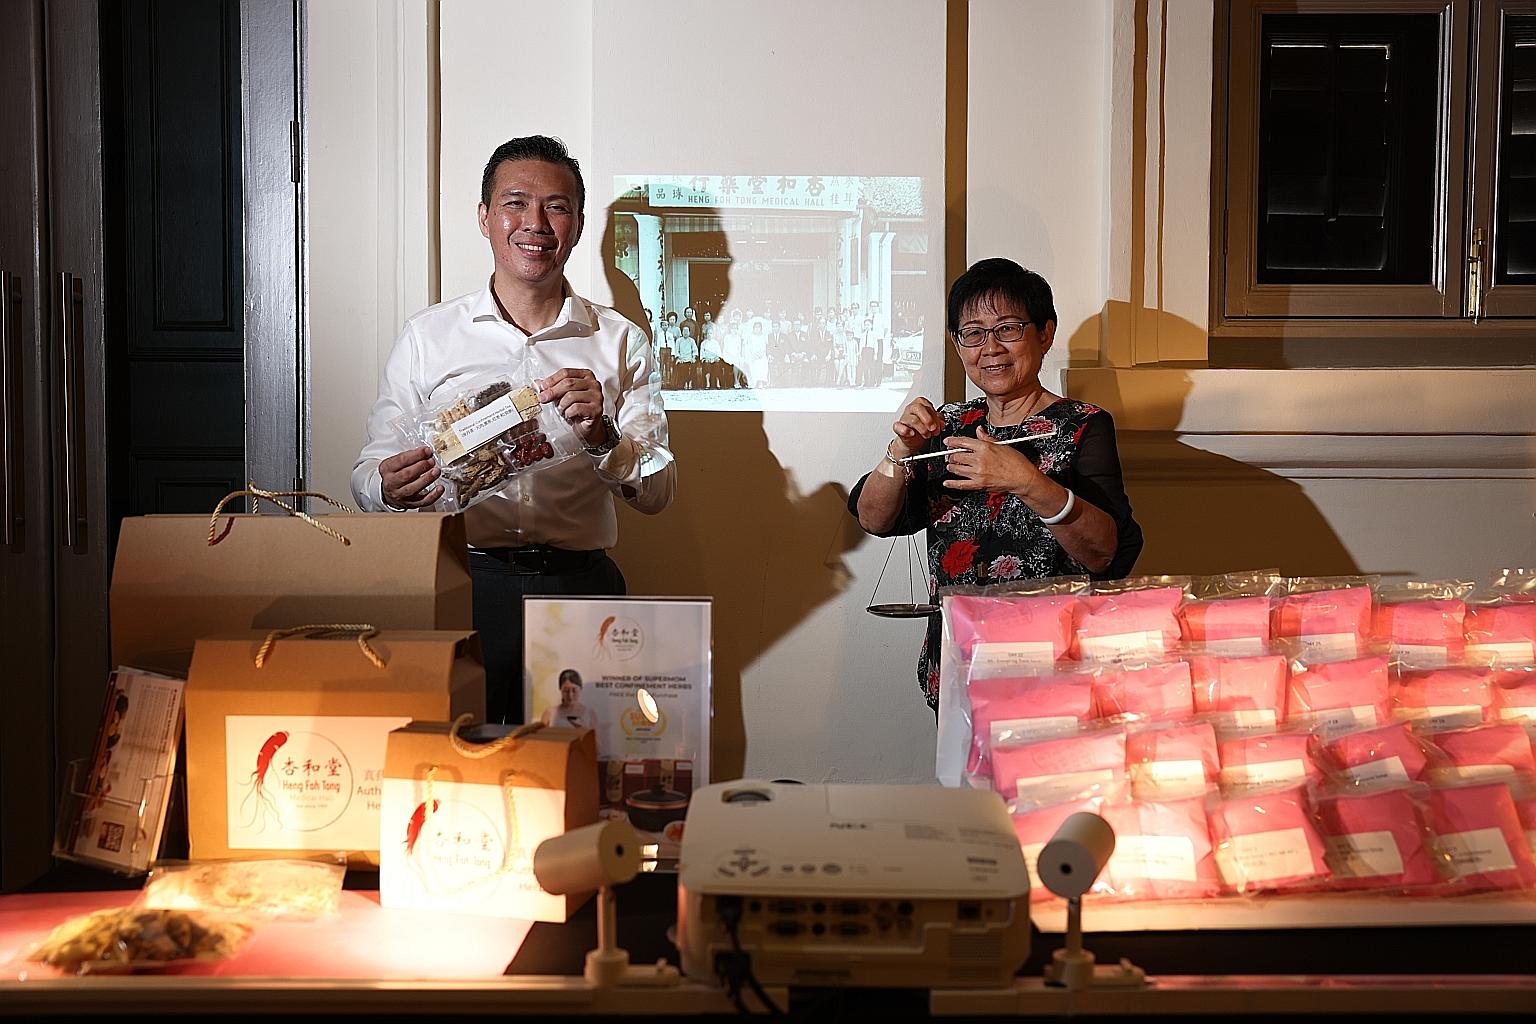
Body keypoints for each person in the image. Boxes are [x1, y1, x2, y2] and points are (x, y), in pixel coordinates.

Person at [351, 135, 676, 724]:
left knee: (587, 773)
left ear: (576, 226)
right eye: (515, 203)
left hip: (582, 589)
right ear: (484, 217)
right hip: (462, 586)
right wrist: (386, 487)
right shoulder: (429, 336)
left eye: (556, 207)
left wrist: (605, 437)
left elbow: (657, 491)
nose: (535, 224)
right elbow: (367, 474)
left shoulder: (618, 340)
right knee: (460, 767)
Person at [847, 258, 1142, 713]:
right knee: (966, 785)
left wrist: (1023, 480)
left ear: (1045, 334)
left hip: (1050, 664)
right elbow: (874, 518)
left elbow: (1106, 553)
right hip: (958, 661)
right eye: (973, 333)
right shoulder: (947, 426)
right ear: (957, 343)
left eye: (1007, 329)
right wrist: (901, 450)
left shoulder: (1081, 426)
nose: (991, 348)